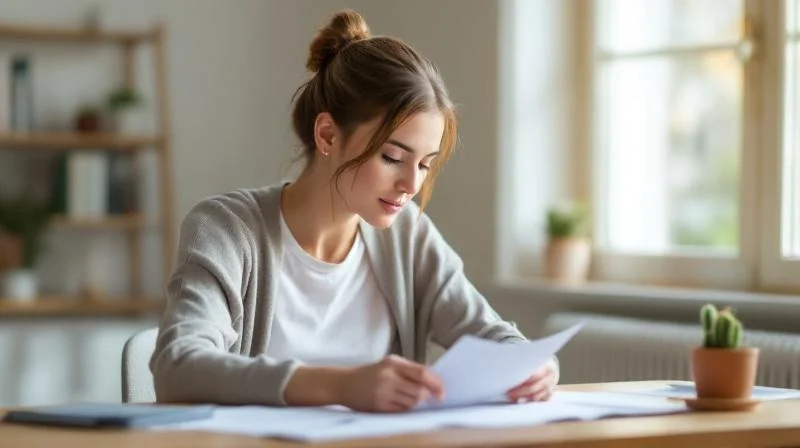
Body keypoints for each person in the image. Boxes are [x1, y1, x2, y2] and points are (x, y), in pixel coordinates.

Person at [149, 9, 558, 413]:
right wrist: (341, 385)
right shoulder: (227, 229)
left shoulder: (408, 237)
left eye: (424, 164)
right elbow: (178, 366)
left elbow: (491, 333)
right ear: (327, 134)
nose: (411, 186)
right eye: (392, 156)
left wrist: (534, 363)